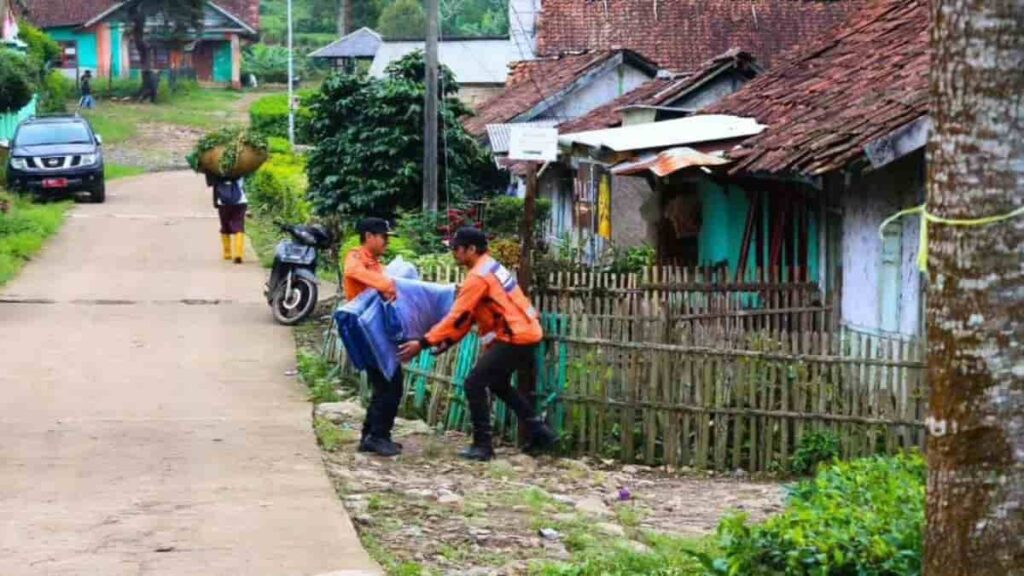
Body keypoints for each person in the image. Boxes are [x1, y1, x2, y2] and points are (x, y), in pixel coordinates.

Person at [398, 227, 556, 461]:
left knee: (473, 383)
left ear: (471, 249)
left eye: (456, 248)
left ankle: (483, 445)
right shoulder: (490, 266)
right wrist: (447, 341)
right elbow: (468, 318)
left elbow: (456, 316)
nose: (453, 252)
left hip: (515, 336)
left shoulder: (477, 277)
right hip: (526, 331)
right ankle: (539, 431)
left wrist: (423, 342)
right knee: (498, 384)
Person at [344, 217, 402, 457]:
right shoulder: (356, 257)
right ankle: (377, 436)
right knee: (390, 383)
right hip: (366, 333)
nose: (387, 242)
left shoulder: (377, 264)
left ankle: (372, 434)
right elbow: (353, 272)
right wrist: (388, 284)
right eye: (384, 237)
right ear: (369, 236)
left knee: (386, 383)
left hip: (379, 331)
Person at [207, 174, 248, 264]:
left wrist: (215, 202)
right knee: (239, 226)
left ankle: (227, 253)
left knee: (225, 226)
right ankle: (238, 254)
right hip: (240, 202)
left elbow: (214, 187)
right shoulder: (240, 171)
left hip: (223, 204)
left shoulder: (217, 172)